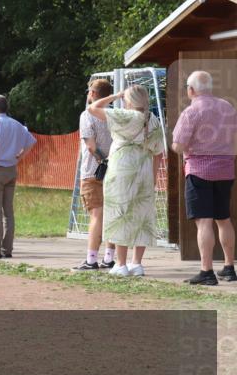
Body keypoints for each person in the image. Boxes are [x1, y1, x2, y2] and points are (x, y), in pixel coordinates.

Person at [87, 85, 164, 276]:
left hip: (121, 169)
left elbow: (92, 108)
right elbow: (158, 152)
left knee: (119, 212)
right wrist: (153, 177)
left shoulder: (124, 115)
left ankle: (120, 263)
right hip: (144, 170)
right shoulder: (152, 119)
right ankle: (136, 263)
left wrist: (115, 95)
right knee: (141, 214)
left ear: (128, 100)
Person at [171, 71, 237, 285]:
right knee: (224, 219)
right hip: (225, 170)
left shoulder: (191, 112)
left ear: (191, 90)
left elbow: (179, 145)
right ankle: (229, 267)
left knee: (204, 222)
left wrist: (179, 146)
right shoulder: (228, 108)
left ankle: (206, 271)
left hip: (199, 171)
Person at [0, 95, 37, 259]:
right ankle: (7, 248)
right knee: (8, 212)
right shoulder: (17, 124)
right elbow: (31, 142)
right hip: (11, 169)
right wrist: (19, 158)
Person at [72, 80, 117, 271]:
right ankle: (110, 257)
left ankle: (91, 259)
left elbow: (90, 146)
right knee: (112, 214)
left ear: (92, 93)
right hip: (115, 170)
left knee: (96, 215)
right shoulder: (115, 115)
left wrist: (102, 161)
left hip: (93, 172)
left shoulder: (87, 114)